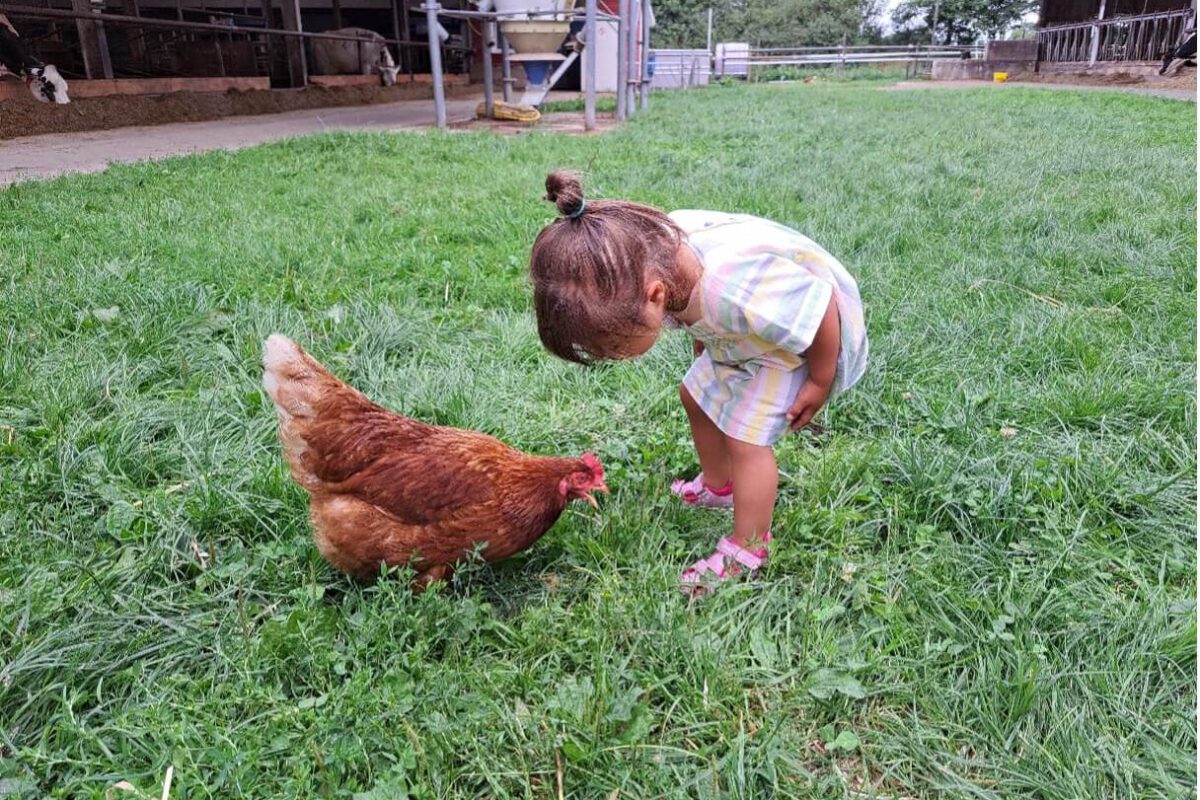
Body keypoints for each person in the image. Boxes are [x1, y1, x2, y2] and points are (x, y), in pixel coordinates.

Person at [529, 170, 868, 594]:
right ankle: (718, 487)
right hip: (739, 337)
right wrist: (704, 342)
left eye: (612, 345)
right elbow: (697, 315)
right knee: (694, 394)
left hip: (792, 347)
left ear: (654, 296)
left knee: (746, 438)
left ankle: (749, 547)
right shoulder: (652, 253)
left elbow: (821, 308)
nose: (611, 356)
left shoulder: (732, 287)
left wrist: (820, 380)